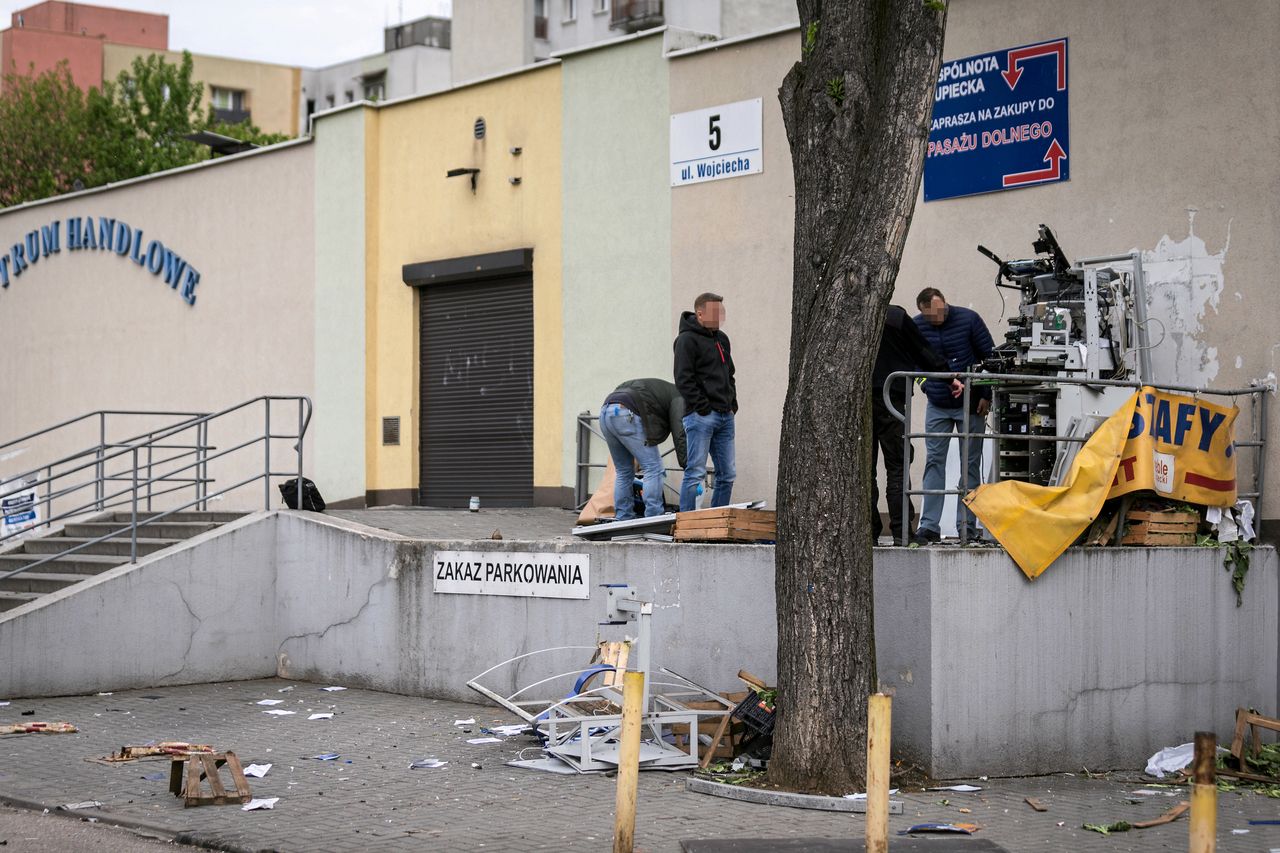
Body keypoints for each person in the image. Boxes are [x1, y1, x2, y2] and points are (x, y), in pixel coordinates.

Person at [871, 305, 963, 545]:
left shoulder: (850, 314)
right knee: (898, 466)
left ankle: (868, 530)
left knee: (864, 469)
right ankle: (902, 532)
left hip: (859, 399)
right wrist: (948, 377)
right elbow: (923, 351)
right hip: (892, 397)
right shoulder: (895, 316)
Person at [912, 287, 994, 544]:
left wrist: (985, 394)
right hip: (937, 404)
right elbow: (915, 365)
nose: (937, 318)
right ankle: (929, 526)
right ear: (923, 313)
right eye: (930, 316)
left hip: (971, 403)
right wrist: (926, 385)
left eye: (940, 312)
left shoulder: (969, 319)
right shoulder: (917, 327)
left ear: (945, 303)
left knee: (970, 463)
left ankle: (966, 526)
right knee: (934, 461)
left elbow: (989, 358)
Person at [674, 292, 736, 512]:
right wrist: (702, 407)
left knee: (727, 474)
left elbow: (730, 374)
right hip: (701, 416)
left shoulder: (722, 339)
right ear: (700, 313)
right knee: (695, 472)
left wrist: (732, 404)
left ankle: (716, 525)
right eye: (715, 311)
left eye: (722, 311)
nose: (720, 316)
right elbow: (683, 379)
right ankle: (687, 524)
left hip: (725, 415)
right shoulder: (686, 340)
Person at [599, 378, 688, 520]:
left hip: (606, 412)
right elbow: (679, 432)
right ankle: (653, 516)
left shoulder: (657, 387)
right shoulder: (679, 396)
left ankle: (623, 515)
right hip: (626, 413)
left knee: (623, 471)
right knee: (653, 468)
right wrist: (686, 463)